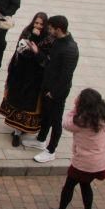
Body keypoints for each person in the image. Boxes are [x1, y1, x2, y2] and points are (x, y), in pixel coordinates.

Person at [48, 89, 105, 209]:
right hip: (100, 161)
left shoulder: (80, 121)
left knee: (69, 185)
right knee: (85, 185)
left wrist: (74, 109)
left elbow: (66, 123)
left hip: (85, 162)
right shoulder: (102, 117)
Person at [23, 15, 80, 163]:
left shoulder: (70, 49)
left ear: (58, 29)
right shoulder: (58, 41)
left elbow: (66, 76)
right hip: (47, 86)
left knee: (55, 120)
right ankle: (41, 139)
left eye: (50, 28)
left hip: (56, 92)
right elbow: (49, 62)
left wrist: (53, 93)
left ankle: (51, 150)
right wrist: (37, 52)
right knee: (46, 115)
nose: (48, 30)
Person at [0, 12, 52, 147]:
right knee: (18, 102)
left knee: (29, 105)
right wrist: (32, 39)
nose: (38, 26)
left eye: (41, 24)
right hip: (21, 74)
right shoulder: (27, 32)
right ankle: (16, 133)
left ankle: (22, 130)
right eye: (36, 23)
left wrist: (37, 52)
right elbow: (21, 51)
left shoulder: (48, 39)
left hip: (35, 78)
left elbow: (45, 60)